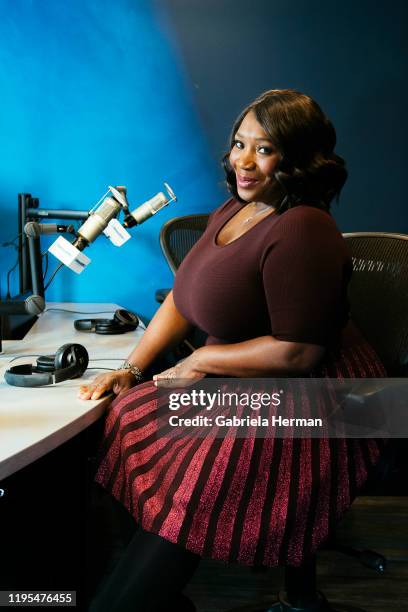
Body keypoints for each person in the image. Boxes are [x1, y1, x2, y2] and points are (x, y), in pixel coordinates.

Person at [79, 89, 386, 612]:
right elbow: (182, 295)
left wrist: (197, 359)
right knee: (128, 416)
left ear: (297, 157)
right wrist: (133, 367)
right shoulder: (237, 206)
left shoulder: (303, 228)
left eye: (264, 150)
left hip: (315, 396)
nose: (243, 161)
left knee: (205, 477)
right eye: (240, 144)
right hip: (244, 374)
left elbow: (297, 354)